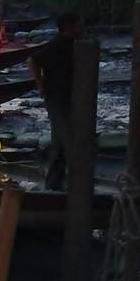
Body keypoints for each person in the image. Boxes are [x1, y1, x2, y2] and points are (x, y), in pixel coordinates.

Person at [30, 13, 82, 190]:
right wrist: (41, 85)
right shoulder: (57, 44)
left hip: (71, 97)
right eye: (78, 24)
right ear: (69, 25)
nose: (81, 27)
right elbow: (33, 61)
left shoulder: (78, 44)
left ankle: (56, 181)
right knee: (65, 138)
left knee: (61, 140)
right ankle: (69, 182)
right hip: (56, 97)